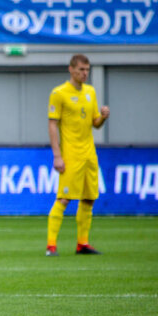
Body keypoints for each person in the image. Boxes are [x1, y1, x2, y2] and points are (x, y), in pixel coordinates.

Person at [46, 54, 110, 257]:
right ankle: (51, 246)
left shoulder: (90, 92)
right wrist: (57, 155)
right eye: (81, 69)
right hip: (71, 154)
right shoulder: (59, 93)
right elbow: (52, 124)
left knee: (89, 199)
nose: (85, 73)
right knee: (64, 198)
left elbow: (95, 124)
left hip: (89, 154)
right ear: (71, 69)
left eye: (87, 69)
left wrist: (103, 117)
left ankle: (82, 243)